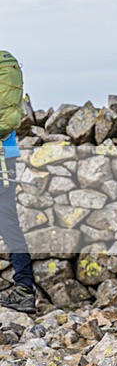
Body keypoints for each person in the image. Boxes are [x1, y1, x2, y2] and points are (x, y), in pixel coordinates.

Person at [0, 129, 36, 314]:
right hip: (7, 160)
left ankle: (23, 290)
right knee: (9, 227)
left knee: (8, 226)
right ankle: (24, 289)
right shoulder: (10, 101)